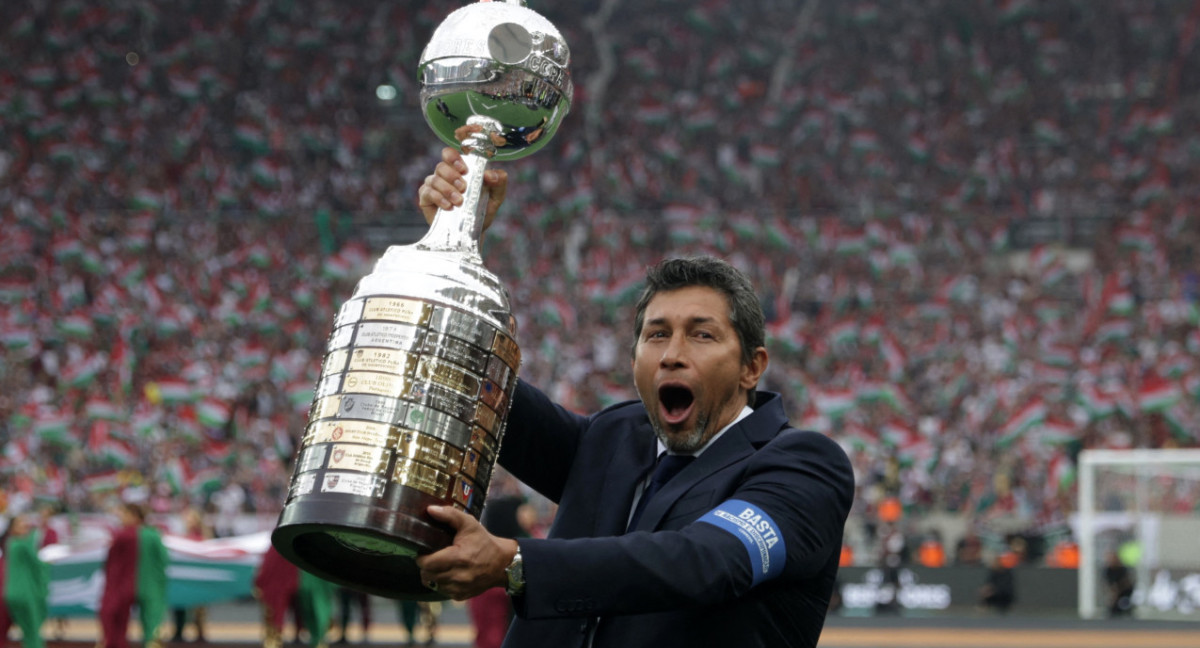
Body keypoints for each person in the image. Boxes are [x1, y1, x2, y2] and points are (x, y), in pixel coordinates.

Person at [412, 142, 856, 648]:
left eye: (702, 334)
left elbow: (706, 561)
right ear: (634, 360)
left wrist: (515, 563)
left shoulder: (804, 466)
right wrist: (452, 241)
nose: (672, 353)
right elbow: (473, 385)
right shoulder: (607, 440)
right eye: (657, 334)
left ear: (751, 367)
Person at [98, 502, 169, 648]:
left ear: (134, 516)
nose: (121, 517)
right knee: (152, 627)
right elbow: (164, 559)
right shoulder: (153, 535)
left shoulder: (123, 535)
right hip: (149, 585)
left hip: (125, 585)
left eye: (124, 514)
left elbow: (111, 563)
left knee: (116, 623)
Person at [1, 514, 50, 648]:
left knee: (28, 632)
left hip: (12, 593)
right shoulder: (21, 544)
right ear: (11, 529)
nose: (24, 525)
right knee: (32, 633)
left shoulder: (11, 543)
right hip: (24, 594)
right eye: (20, 523)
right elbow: (38, 563)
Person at [171, 507, 211, 642]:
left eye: (190, 518)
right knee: (180, 605)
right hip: (185, 578)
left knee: (199, 608)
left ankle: (199, 633)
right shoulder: (183, 538)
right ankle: (179, 631)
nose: (187, 521)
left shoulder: (203, 537)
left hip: (199, 578)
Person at [1103, 550, 1135, 617]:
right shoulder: (1108, 571)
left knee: (1125, 605)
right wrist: (1113, 593)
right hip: (1115, 592)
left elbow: (1127, 582)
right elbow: (1109, 584)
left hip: (1125, 592)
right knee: (1113, 610)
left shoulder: (1122, 569)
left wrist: (1118, 590)